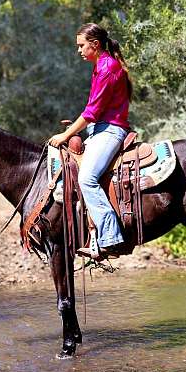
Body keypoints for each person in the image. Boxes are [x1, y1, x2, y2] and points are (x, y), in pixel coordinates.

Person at [49, 23, 133, 260]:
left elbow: (92, 112)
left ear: (95, 45)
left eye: (81, 46)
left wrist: (65, 135)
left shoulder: (107, 68)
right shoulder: (100, 66)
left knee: (87, 178)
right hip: (100, 128)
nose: (79, 50)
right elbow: (94, 110)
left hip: (110, 131)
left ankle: (110, 237)